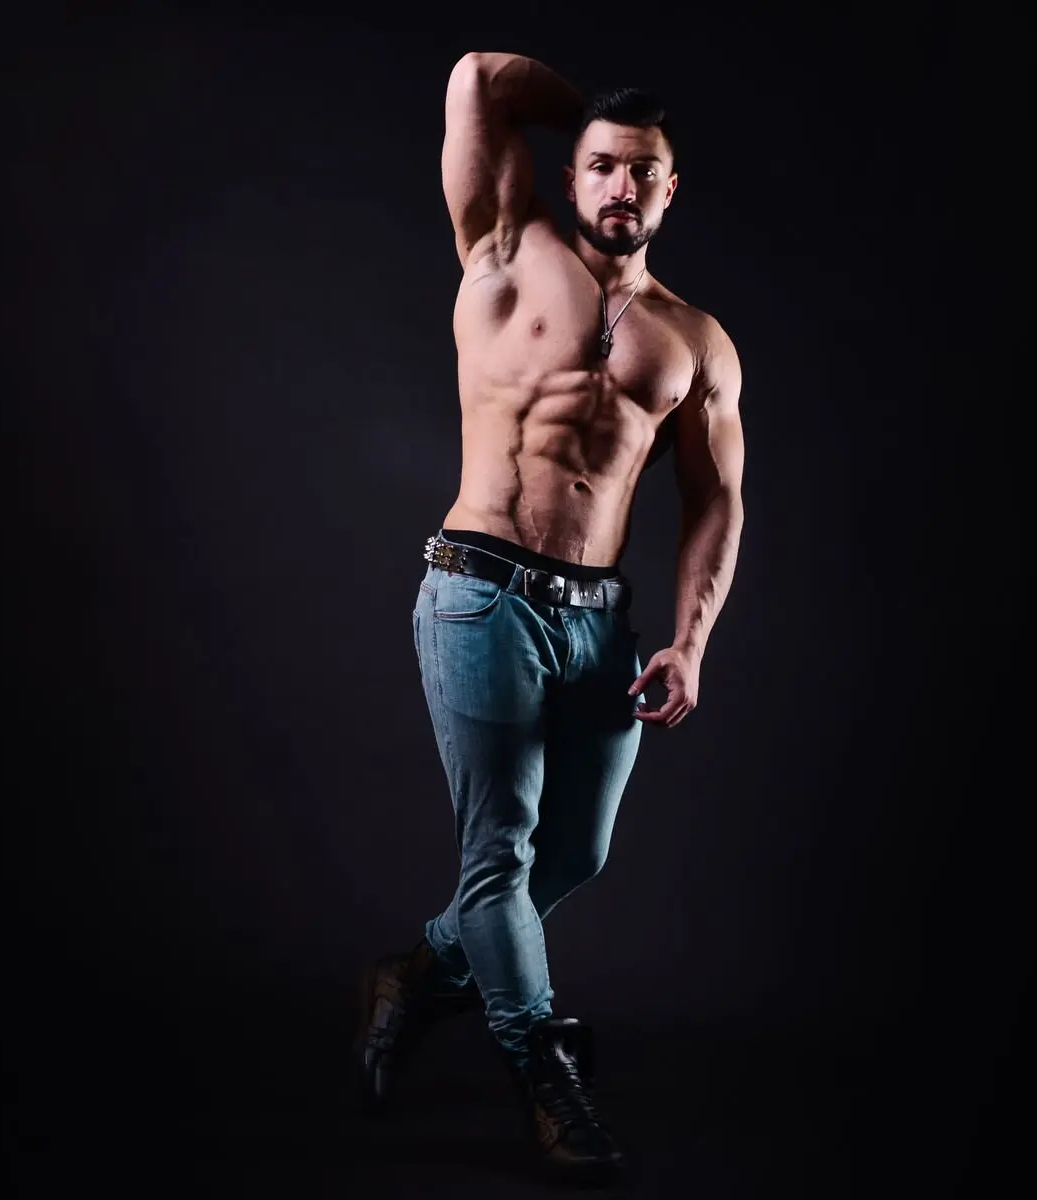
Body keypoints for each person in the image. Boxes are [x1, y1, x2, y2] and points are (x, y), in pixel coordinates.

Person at [354, 51, 745, 1181]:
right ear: (572, 173)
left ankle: (415, 976)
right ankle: (546, 1075)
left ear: (671, 189)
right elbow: (480, 77)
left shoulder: (696, 341)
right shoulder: (502, 247)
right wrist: (594, 120)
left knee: (572, 853)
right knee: (499, 854)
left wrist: (691, 642)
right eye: (604, 167)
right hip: (480, 590)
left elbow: (717, 501)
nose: (622, 187)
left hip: (598, 624)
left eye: (644, 172)